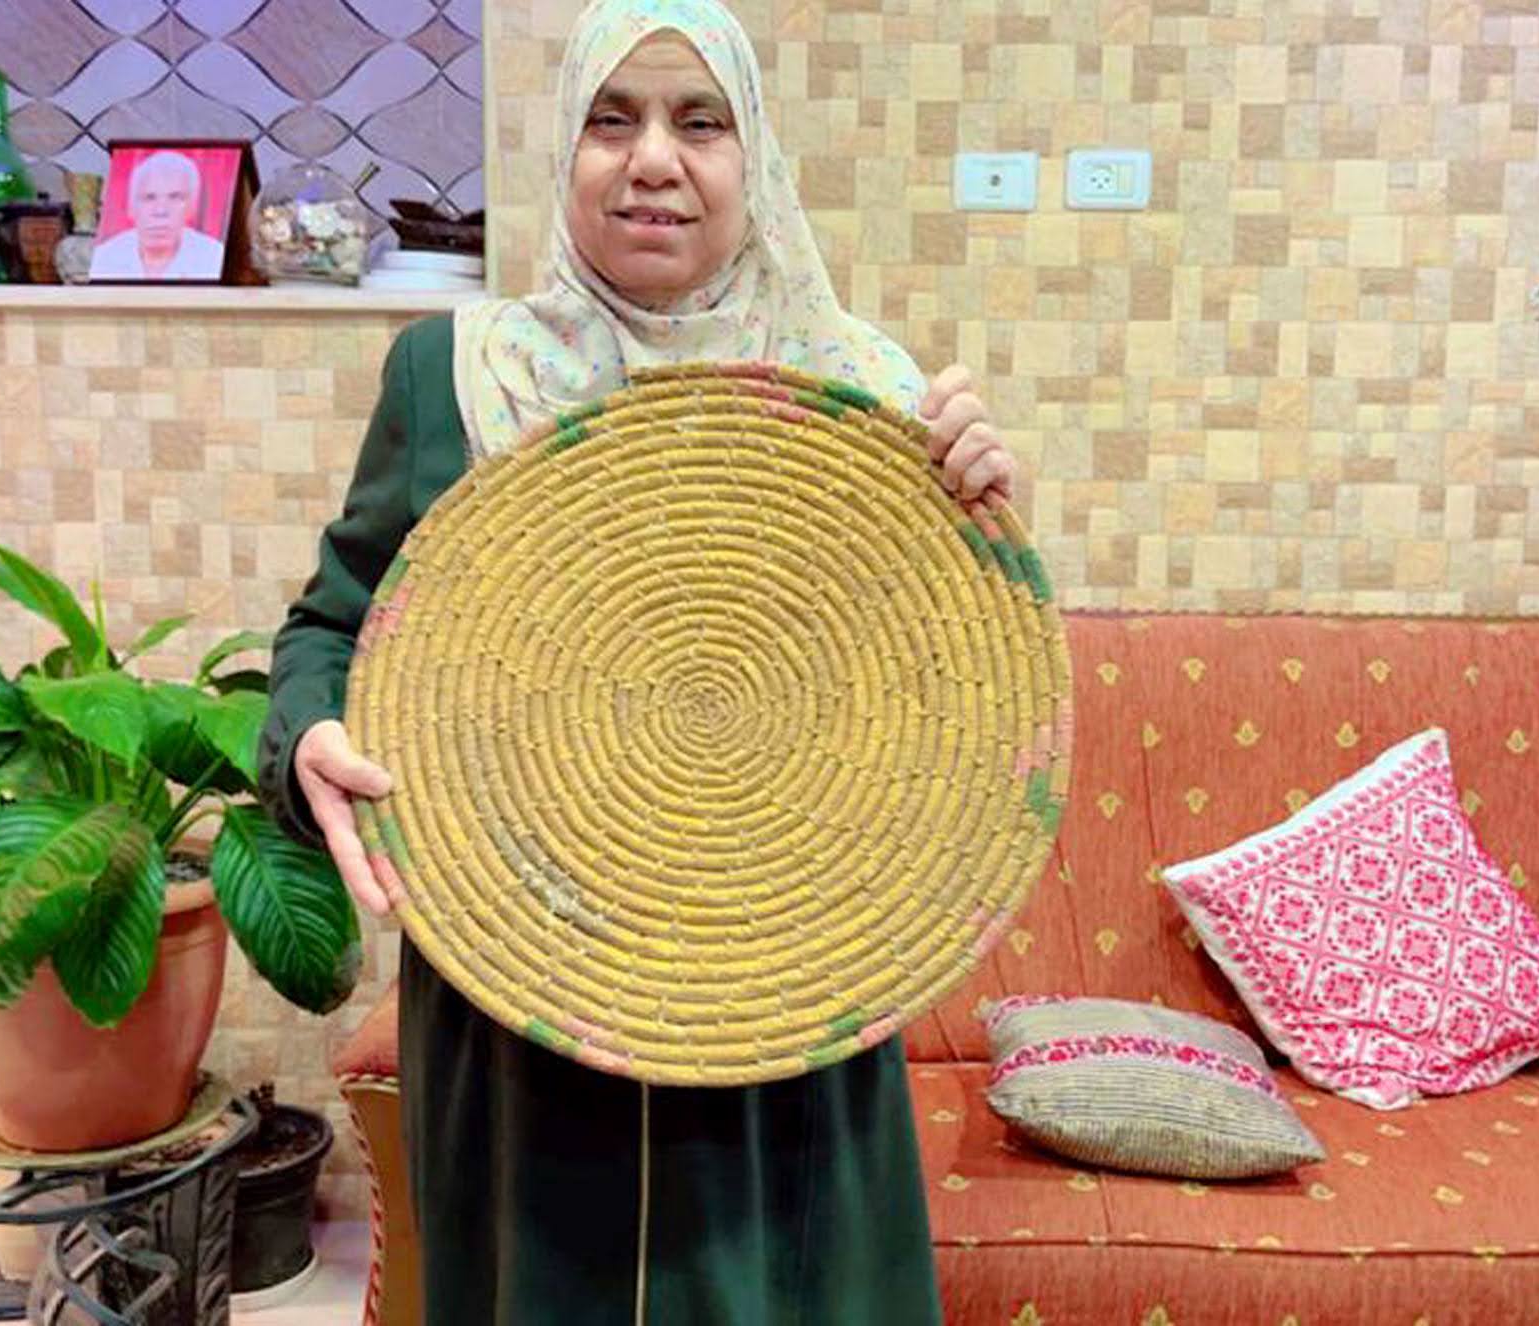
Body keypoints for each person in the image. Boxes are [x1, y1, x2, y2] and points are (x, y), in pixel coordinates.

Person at [256, 1, 1014, 1321]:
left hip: (792, 1005)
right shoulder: (454, 377)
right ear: (563, 153)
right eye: (612, 118)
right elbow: (332, 623)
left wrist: (985, 522)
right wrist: (308, 733)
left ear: (754, 159)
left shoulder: (862, 397)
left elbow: (939, 697)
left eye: (698, 120)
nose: (653, 159)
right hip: (517, 1008)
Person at [89, 149, 225, 279]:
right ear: (131, 207)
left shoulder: (215, 258)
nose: (160, 211)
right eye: (149, 197)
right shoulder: (105, 257)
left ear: (192, 207)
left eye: (175, 197)